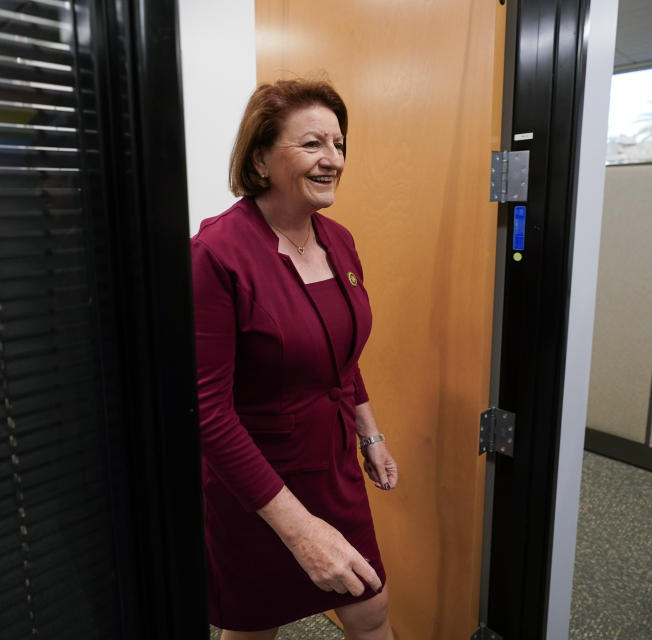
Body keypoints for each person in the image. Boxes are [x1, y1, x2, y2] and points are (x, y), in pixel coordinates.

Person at [190, 79, 398, 640]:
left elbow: (340, 354)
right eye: (312, 144)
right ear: (260, 156)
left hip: (331, 466)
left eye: (339, 143)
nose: (333, 159)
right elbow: (206, 412)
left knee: (370, 606)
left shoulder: (340, 240)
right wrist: (300, 530)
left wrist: (369, 433)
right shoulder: (216, 256)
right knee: (254, 627)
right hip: (253, 485)